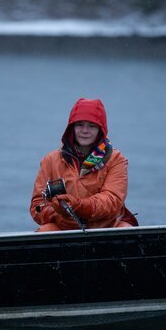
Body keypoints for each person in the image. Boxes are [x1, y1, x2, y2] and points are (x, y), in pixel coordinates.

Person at [30, 97, 137, 232]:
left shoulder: (116, 159)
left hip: (107, 226)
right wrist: (60, 215)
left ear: (101, 129)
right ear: (72, 128)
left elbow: (112, 201)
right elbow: (37, 205)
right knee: (46, 232)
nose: (85, 130)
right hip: (63, 226)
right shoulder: (50, 160)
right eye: (80, 124)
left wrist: (80, 207)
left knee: (125, 231)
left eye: (92, 126)